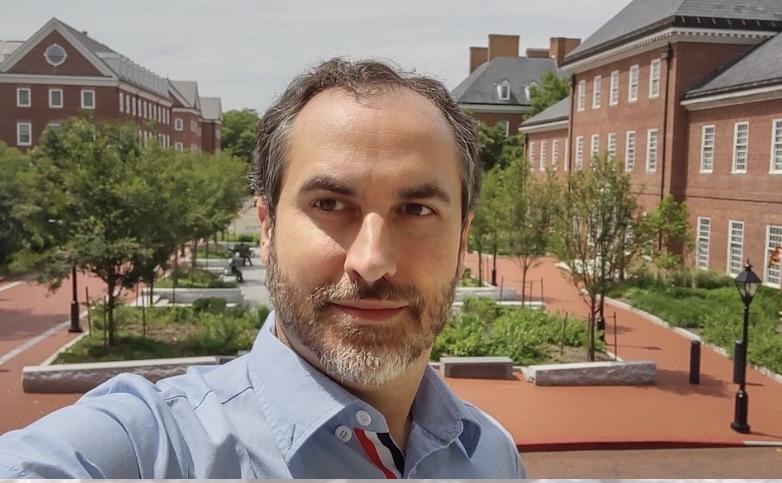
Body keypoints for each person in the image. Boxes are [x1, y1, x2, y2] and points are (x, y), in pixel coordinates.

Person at [0, 58, 525, 478]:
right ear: (267, 227)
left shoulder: (492, 456)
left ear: (463, 238)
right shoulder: (154, 449)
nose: (371, 261)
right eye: (329, 204)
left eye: (416, 210)